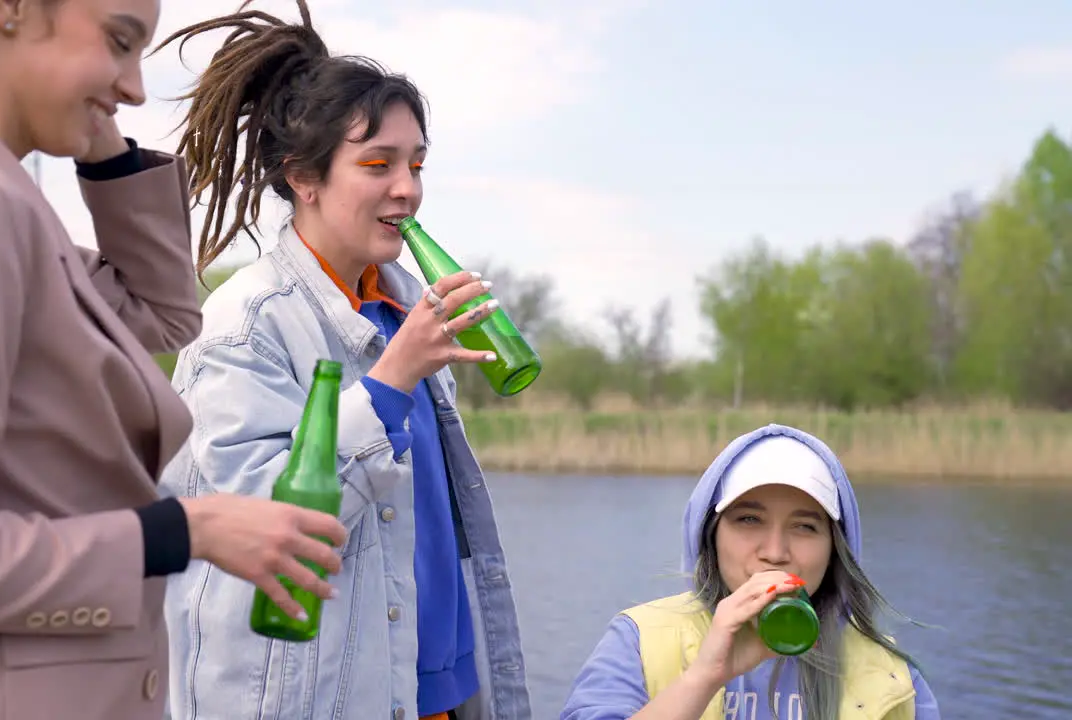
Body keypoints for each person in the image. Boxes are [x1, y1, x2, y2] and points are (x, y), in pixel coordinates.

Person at [0, 1, 346, 719]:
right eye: (119, 41)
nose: (136, 87)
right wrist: (188, 530)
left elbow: (167, 315)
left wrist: (104, 147)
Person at [153, 2, 531, 719]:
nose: (407, 188)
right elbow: (263, 522)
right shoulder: (245, 323)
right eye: (378, 164)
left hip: (429, 689)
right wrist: (392, 380)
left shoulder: (405, 306)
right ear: (303, 177)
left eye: (416, 164)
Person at [559, 424, 941, 720]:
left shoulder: (892, 675)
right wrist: (704, 677)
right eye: (748, 520)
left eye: (805, 526)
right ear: (710, 535)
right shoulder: (639, 641)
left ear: (835, 549)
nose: (775, 553)